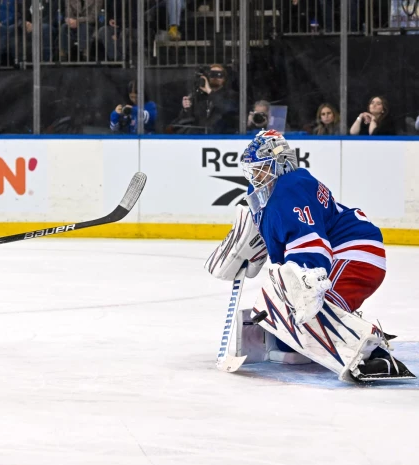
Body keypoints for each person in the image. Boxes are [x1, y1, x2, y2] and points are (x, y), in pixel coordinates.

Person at [205, 129, 414, 381]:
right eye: (252, 170)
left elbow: (313, 249)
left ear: (279, 164)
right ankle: (342, 328)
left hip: (355, 253)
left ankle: (376, 356)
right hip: (346, 253)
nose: (254, 176)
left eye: (260, 169)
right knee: (289, 339)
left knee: (314, 313)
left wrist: (302, 293)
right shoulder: (273, 191)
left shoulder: (288, 189)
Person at [171, 64, 238, 134]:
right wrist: (185, 109)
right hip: (200, 138)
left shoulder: (231, 95)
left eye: (219, 75)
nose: (215, 77)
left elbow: (229, 109)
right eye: (212, 74)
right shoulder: (198, 96)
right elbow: (187, 121)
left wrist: (210, 92)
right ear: (207, 77)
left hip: (222, 138)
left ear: (224, 79)